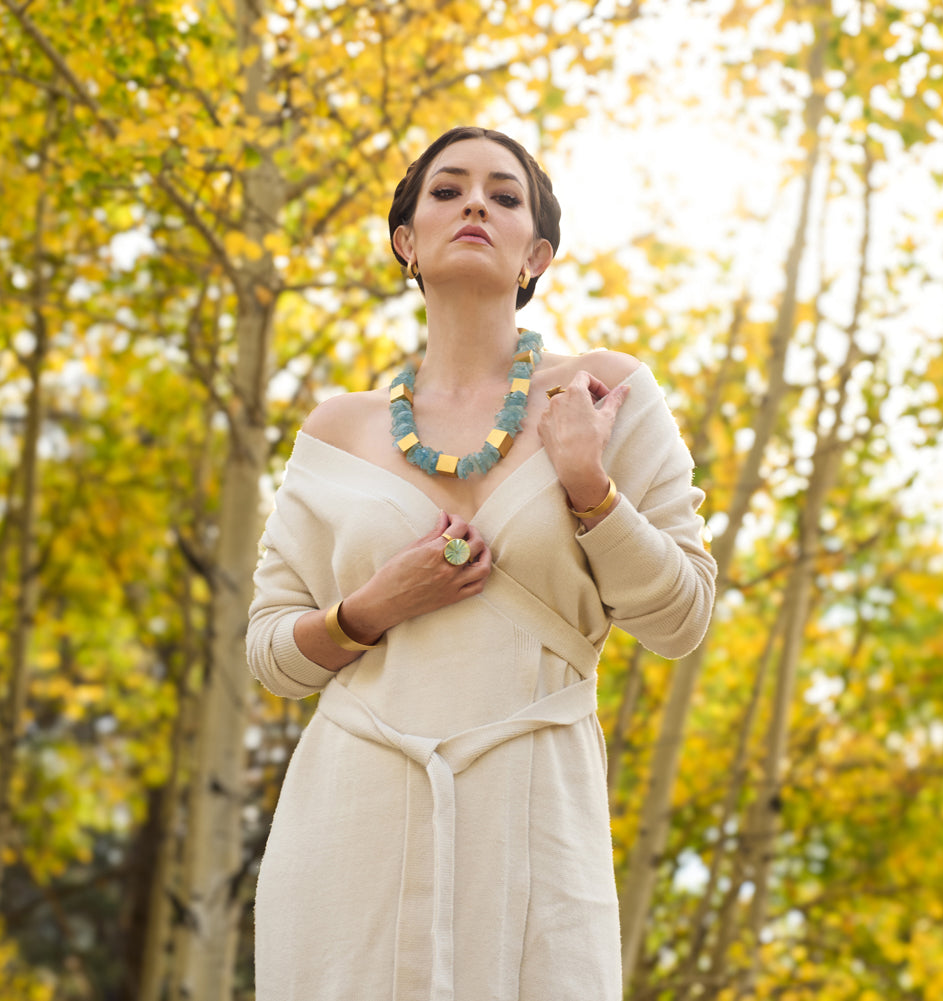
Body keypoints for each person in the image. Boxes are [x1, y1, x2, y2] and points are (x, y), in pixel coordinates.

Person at [246, 125, 716, 1001]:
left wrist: (587, 485)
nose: (475, 204)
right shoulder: (334, 430)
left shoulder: (603, 394)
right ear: (406, 242)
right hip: (352, 820)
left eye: (504, 197)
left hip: (530, 813)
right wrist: (374, 606)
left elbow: (681, 618)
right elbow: (272, 654)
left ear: (536, 252)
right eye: (448, 190)